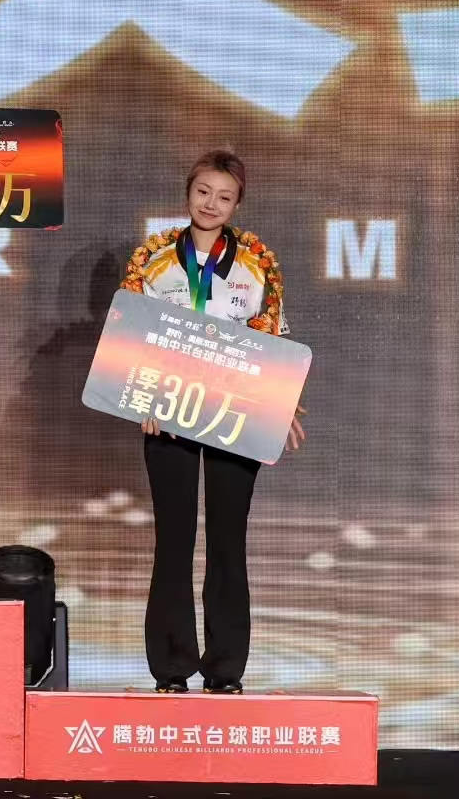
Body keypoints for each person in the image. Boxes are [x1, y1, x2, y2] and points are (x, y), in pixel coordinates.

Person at [121, 149, 305, 693]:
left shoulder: (257, 264)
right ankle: (171, 667)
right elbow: (132, 336)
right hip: (168, 412)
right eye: (203, 191)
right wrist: (146, 398)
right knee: (173, 539)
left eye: (224, 196)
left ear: (237, 204)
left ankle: (225, 669)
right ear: (188, 192)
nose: (211, 203)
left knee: (228, 539)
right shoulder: (154, 259)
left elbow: (272, 340)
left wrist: (281, 405)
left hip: (236, 411)